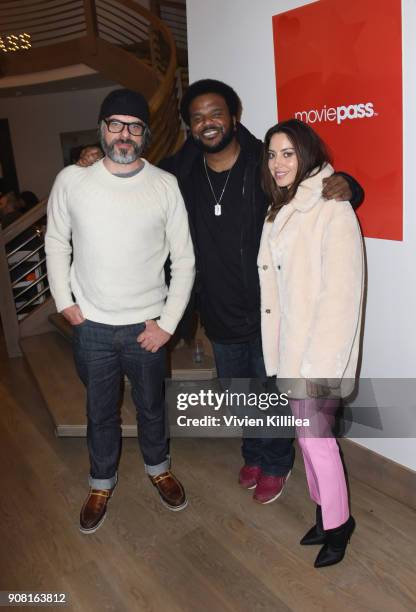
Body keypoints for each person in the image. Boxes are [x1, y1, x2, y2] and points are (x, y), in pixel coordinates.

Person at [160, 79, 364, 504]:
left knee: (273, 396)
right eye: (197, 118)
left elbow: (311, 179)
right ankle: (253, 451)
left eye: (215, 113)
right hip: (219, 310)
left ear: (234, 116)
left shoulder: (261, 161)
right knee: (240, 395)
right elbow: (139, 181)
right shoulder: (181, 171)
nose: (207, 123)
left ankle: (275, 462)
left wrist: (350, 184)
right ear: (189, 128)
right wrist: (94, 159)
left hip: (271, 312)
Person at [45, 88, 195, 534]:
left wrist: (167, 325)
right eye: (115, 124)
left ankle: (158, 468)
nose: (123, 134)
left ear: (145, 133)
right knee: (100, 411)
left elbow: (184, 260)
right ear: (102, 129)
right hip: (90, 325)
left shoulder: (165, 185)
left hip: (146, 326)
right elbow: (56, 242)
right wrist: (64, 301)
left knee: (151, 406)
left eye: (133, 126)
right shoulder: (72, 180)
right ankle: (101, 480)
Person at [258, 118, 364, 567]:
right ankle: (325, 514)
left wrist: (317, 367)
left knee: (317, 442)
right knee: (308, 442)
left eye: (287, 153)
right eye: (271, 154)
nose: (278, 163)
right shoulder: (280, 208)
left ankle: (339, 526)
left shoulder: (331, 205)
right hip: (292, 352)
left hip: (317, 357)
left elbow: (341, 296)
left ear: (307, 154)